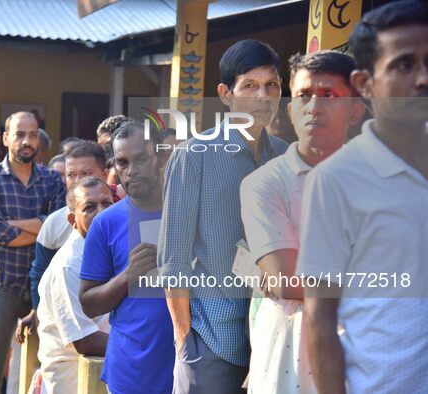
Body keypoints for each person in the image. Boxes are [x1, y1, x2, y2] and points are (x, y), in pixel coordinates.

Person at [296, 2, 428, 393]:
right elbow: (320, 317)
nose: (423, 79)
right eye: (404, 65)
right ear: (365, 84)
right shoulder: (336, 180)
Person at [157, 39, 288, 393]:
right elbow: (174, 262)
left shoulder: (286, 159)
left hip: (276, 335)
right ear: (225, 94)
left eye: (271, 85)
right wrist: (185, 343)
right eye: (249, 86)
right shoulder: (193, 156)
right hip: (213, 338)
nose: (263, 96)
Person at [240, 50, 364, 393]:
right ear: (291, 108)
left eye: (330, 96)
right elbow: (286, 281)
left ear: (355, 109)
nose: (314, 107)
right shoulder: (264, 184)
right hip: (289, 354)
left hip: (367, 347)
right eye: (303, 96)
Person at [79, 122, 174, 394]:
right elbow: (88, 303)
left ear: (161, 156)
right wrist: (127, 277)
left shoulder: (193, 211)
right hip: (132, 373)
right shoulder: (105, 223)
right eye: (122, 162)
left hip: (189, 368)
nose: (131, 171)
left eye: (141, 159)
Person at [0, 111, 65, 394]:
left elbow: (58, 230)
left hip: (42, 288)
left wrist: (21, 225)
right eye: (20, 134)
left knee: (38, 369)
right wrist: (39, 225)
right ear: (6, 138)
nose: (27, 141)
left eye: (33, 134)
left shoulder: (52, 180)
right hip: (1, 284)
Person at [23, 177, 113, 393]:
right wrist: (145, 344)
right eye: (90, 207)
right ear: (73, 219)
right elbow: (85, 341)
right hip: (72, 383)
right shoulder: (69, 266)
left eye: (107, 204)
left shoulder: (110, 249)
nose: (101, 212)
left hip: (104, 374)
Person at [18, 141, 113, 335]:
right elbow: (39, 273)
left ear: (104, 174)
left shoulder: (121, 218)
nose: (77, 180)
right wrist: (38, 312)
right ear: (73, 220)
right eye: (71, 175)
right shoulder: (66, 257)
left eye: (86, 174)